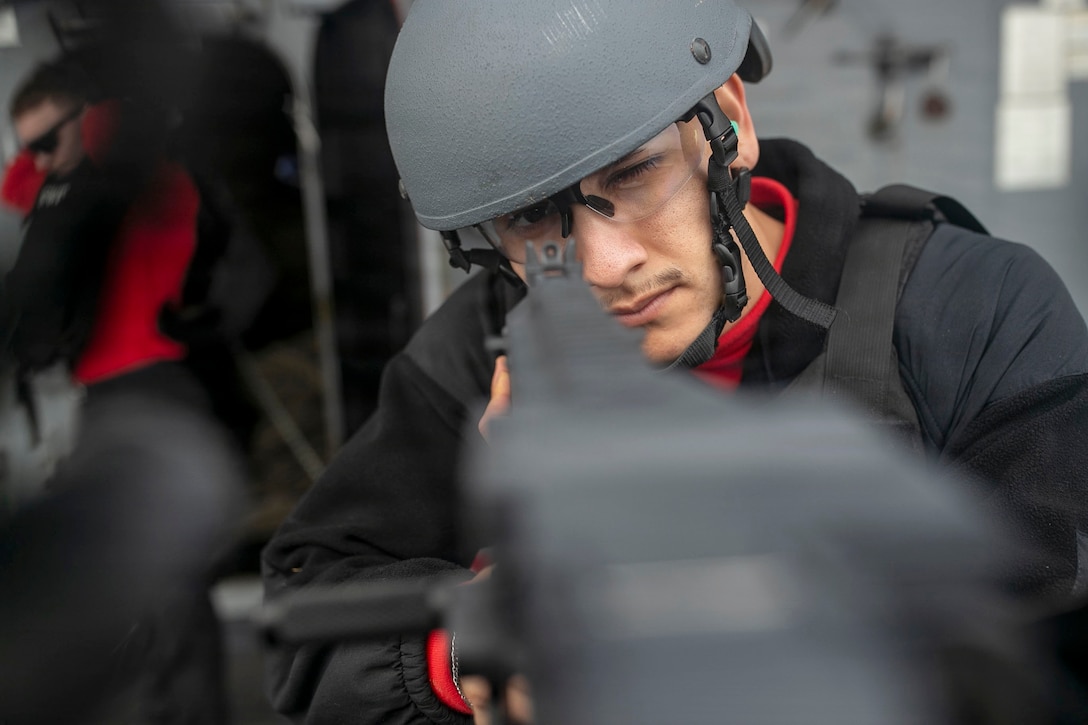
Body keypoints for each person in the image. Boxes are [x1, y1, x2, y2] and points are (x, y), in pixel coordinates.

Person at [261, 2, 1088, 723]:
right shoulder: (472, 351)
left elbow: (1058, 646)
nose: (606, 264)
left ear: (730, 120)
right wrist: (466, 646)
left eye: (636, 172)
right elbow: (306, 614)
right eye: (530, 220)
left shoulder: (972, 307)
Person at [1, 60, 238, 724]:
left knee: (172, 595)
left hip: (152, 385)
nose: (37, 162)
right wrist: (49, 146)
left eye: (50, 142)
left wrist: (90, 120)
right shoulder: (66, 187)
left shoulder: (141, 182)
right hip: (106, 393)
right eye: (31, 149)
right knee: (155, 601)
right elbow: (18, 186)